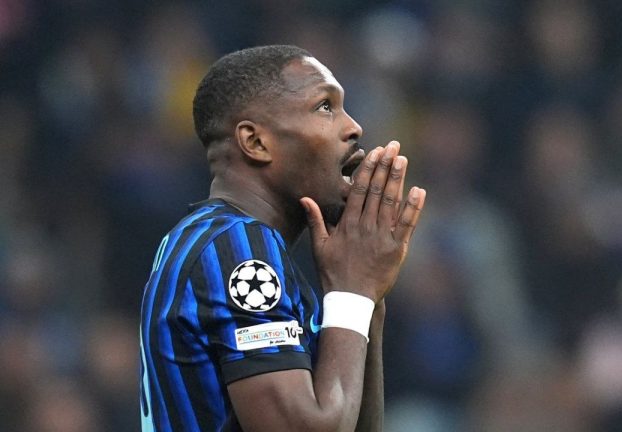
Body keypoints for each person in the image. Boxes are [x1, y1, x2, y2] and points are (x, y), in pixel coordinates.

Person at [139, 44, 426, 432]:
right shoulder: (236, 249)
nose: (353, 127)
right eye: (325, 107)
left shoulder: (221, 242)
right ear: (256, 142)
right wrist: (352, 293)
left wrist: (366, 302)